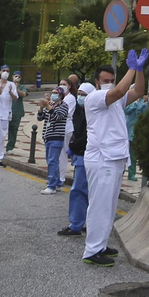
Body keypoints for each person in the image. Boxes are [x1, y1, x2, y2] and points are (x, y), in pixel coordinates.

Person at [81, 51, 148, 267]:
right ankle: (92, 251)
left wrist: (139, 70)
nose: (109, 84)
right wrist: (131, 68)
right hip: (101, 158)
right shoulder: (94, 98)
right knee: (100, 205)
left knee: (109, 206)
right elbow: (120, 89)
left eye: (111, 80)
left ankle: (100, 245)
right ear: (96, 83)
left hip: (115, 157)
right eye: (105, 81)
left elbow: (138, 91)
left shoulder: (117, 101)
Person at [57, 75, 89, 237]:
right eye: (80, 94)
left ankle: (78, 224)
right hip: (80, 156)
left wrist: (72, 147)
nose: (81, 98)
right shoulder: (79, 112)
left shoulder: (92, 113)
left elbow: (86, 135)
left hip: (87, 156)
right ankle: (80, 222)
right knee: (81, 191)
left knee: (80, 191)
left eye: (85, 95)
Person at [38, 86, 69, 192]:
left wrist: (47, 106)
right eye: (52, 92)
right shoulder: (50, 105)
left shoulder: (64, 106)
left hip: (57, 136)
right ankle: (57, 182)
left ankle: (51, 186)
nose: (53, 94)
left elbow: (57, 117)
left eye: (56, 93)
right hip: (48, 135)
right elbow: (40, 118)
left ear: (61, 95)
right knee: (50, 160)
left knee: (52, 161)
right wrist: (42, 108)